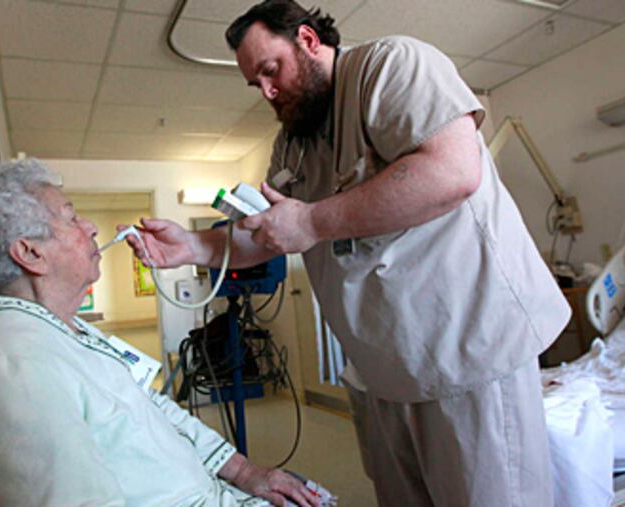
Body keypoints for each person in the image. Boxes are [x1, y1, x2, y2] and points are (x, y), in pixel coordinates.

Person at [125, 1, 572, 506]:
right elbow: (269, 232)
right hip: (382, 370)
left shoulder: (391, 66)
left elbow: (453, 171)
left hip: (465, 354)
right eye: (257, 83)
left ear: (309, 41)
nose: (267, 92)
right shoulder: (292, 146)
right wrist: (190, 246)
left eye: (271, 70)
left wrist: (313, 220)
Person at [0, 159, 321, 507]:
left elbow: (153, 404)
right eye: (71, 217)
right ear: (30, 253)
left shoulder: (57, 326)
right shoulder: (11, 364)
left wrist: (243, 472)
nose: (88, 227)